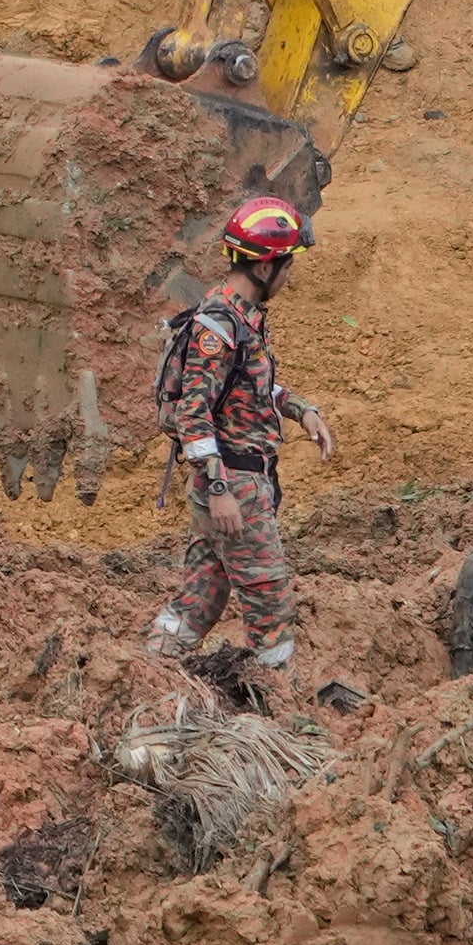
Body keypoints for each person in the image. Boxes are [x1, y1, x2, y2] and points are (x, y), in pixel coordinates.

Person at [151, 193, 325, 674]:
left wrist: (300, 410)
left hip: (235, 482)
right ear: (265, 266)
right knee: (270, 599)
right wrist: (221, 489)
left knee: (201, 597)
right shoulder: (220, 326)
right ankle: (279, 696)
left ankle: (150, 670)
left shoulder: (241, 318)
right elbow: (194, 412)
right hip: (235, 485)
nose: (289, 276)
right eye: (286, 264)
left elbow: (251, 387)